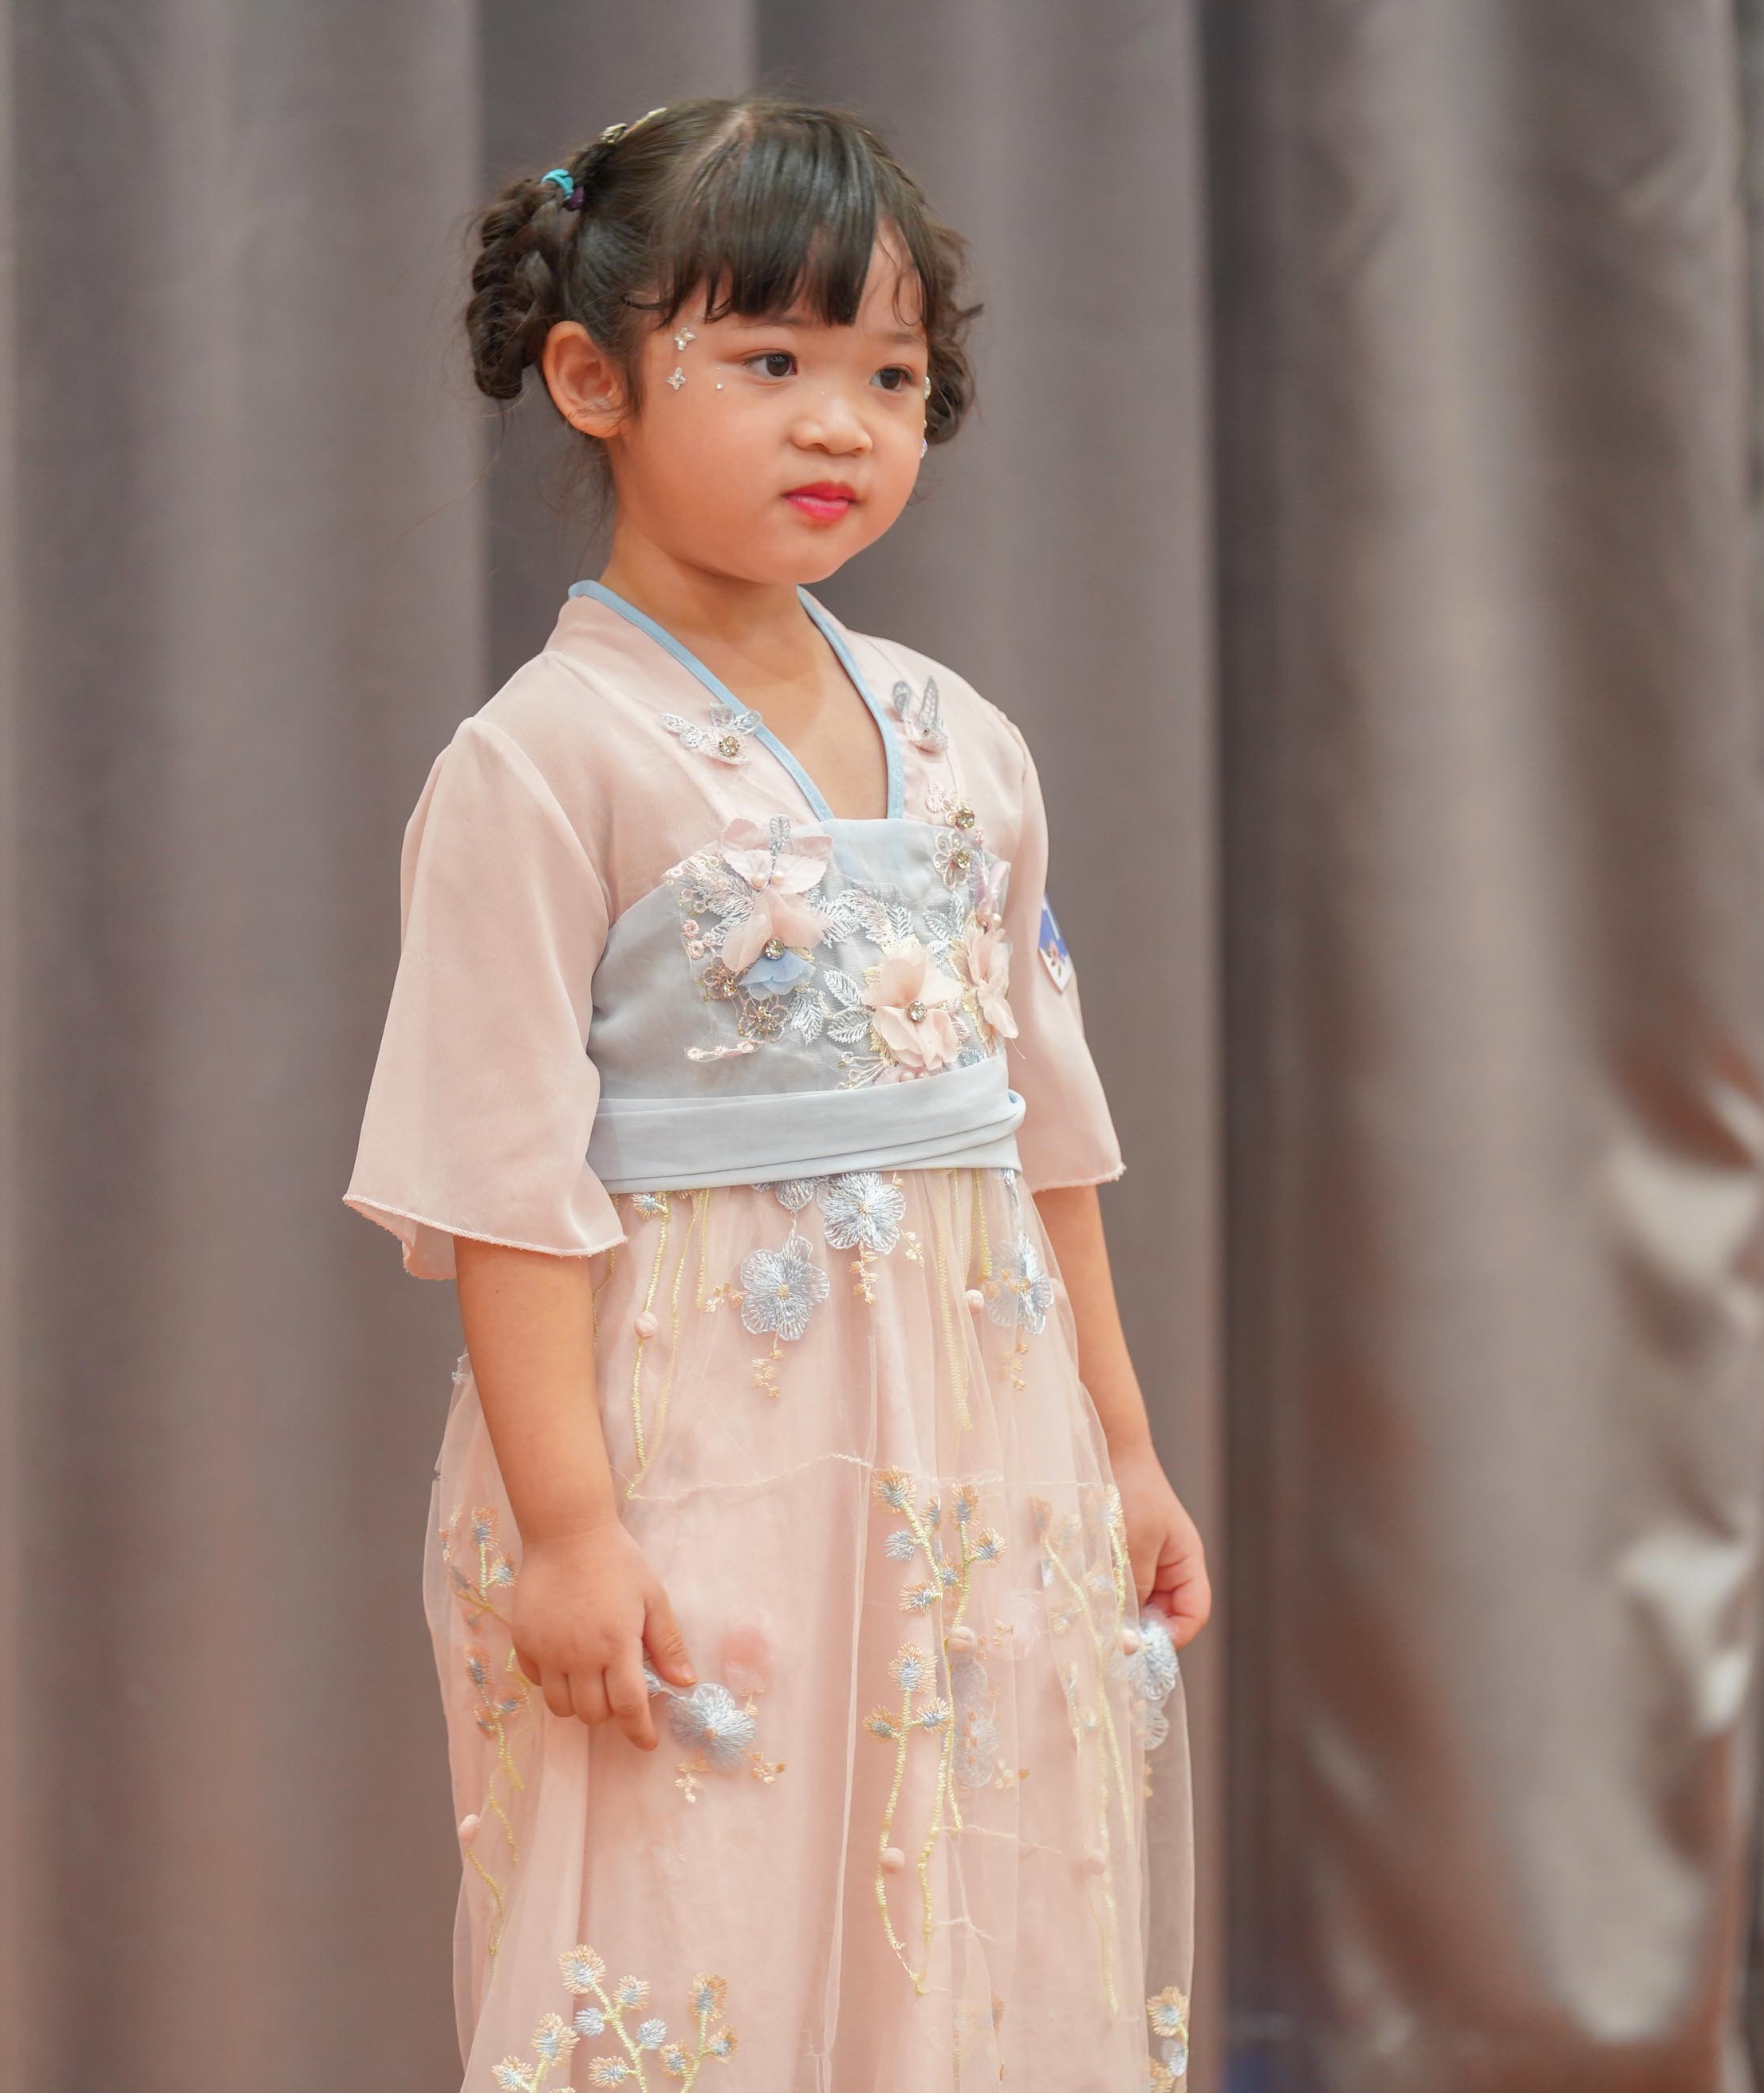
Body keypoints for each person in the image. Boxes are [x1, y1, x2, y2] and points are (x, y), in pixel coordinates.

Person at [346, 93, 1207, 2091]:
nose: (843, 425)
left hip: (978, 1441)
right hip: (694, 1449)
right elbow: (500, 1183)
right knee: (699, 1912)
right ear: (595, 380)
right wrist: (571, 1527)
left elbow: (1039, 1139)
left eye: (888, 375)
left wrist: (1123, 1446)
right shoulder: (543, 758)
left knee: (970, 1917)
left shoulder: (963, 738)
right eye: (769, 362)